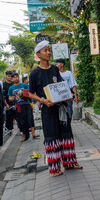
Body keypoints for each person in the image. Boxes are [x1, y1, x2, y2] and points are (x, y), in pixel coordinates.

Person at [29, 41, 82, 177]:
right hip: (48, 110)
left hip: (61, 108)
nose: (48, 52)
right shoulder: (34, 73)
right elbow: (30, 93)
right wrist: (42, 100)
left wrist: (68, 95)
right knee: (52, 137)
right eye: (45, 50)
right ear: (38, 55)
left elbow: (60, 85)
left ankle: (70, 163)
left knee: (66, 134)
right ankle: (55, 168)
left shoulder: (54, 69)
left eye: (48, 50)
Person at [8, 73, 39, 141]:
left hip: (27, 104)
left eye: (17, 77)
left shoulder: (24, 85)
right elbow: (9, 97)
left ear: (19, 77)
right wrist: (11, 98)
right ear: (12, 79)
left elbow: (30, 92)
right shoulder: (11, 88)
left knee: (30, 118)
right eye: (14, 77)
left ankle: (33, 134)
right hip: (19, 106)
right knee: (21, 121)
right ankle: (24, 136)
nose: (16, 78)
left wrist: (26, 95)